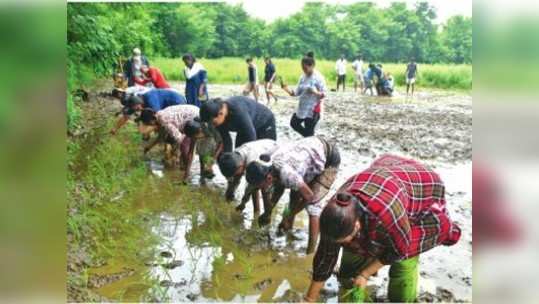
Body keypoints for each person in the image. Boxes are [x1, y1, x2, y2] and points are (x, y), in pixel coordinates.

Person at [303, 154, 462, 303]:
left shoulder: (386, 214)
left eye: (346, 239)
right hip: (382, 180)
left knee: (402, 266)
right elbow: (325, 256)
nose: (343, 243)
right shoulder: (334, 215)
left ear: (357, 224)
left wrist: (365, 275)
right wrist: (309, 299)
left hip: (421, 193)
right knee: (349, 269)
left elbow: (399, 249)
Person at [245, 136, 340, 254]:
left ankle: (310, 253)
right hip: (310, 153)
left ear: (268, 178)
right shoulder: (271, 166)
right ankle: (288, 229)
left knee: (313, 207)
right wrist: (268, 213)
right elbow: (279, 190)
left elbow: (309, 197)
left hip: (329, 157)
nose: (261, 189)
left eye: (261, 186)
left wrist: (288, 215)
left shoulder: (287, 174)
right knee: (294, 196)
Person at [136, 105, 202, 181]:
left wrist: (183, 153)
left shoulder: (163, 120)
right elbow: (161, 136)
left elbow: (180, 139)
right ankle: (186, 166)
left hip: (194, 118)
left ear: (151, 121)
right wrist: (148, 147)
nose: (148, 125)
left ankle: (187, 170)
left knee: (184, 146)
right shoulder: (160, 114)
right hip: (194, 111)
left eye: (147, 123)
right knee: (183, 145)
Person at [217, 139, 279, 214]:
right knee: (245, 180)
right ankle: (230, 197)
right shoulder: (235, 155)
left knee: (263, 188)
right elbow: (235, 178)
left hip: (274, 151)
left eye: (234, 173)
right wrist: (230, 192)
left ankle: (262, 214)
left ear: (240, 166)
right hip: (262, 147)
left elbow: (251, 187)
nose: (234, 175)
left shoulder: (253, 162)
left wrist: (243, 203)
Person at [200, 96, 276, 152]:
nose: (213, 126)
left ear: (221, 113)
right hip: (244, 129)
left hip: (264, 124)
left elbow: (251, 137)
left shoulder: (238, 112)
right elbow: (226, 140)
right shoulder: (217, 117)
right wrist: (227, 158)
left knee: (263, 157)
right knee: (237, 155)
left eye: (214, 123)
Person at [281, 55, 327, 137]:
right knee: (294, 123)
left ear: (312, 65)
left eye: (305, 68)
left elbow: (324, 94)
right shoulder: (302, 77)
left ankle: (310, 141)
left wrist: (315, 92)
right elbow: (296, 93)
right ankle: (309, 138)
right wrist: (286, 89)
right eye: (302, 68)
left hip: (313, 110)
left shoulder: (318, 77)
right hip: (302, 108)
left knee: (309, 132)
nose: (304, 70)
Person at [110, 89, 186, 135]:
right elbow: (125, 117)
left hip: (178, 102)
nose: (138, 110)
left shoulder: (151, 100)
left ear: (138, 103)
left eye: (137, 108)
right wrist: (115, 129)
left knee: (167, 122)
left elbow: (159, 117)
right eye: (136, 109)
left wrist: (151, 128)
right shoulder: (135, 102)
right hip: (166, 106)